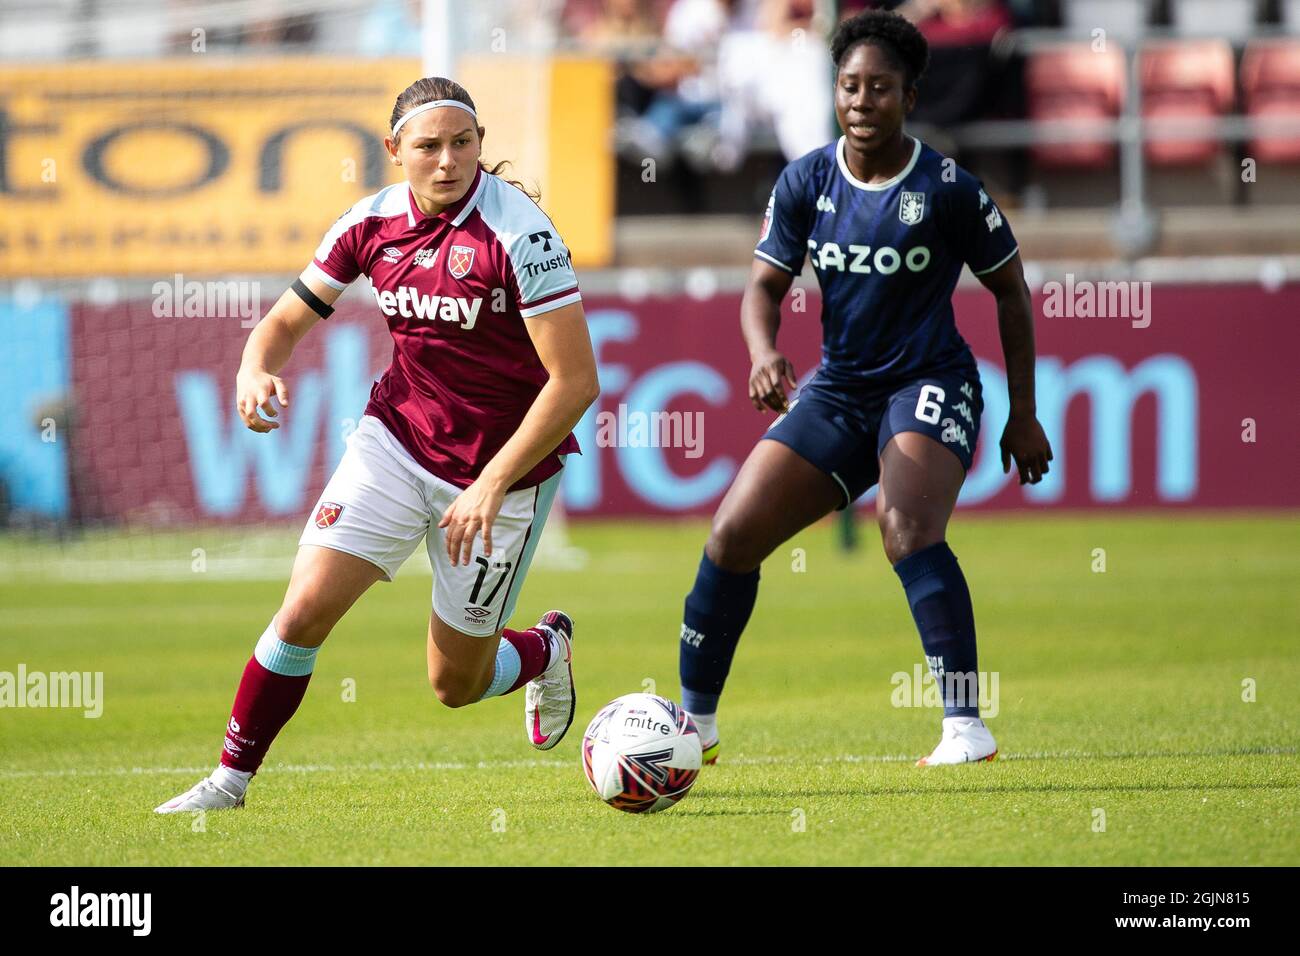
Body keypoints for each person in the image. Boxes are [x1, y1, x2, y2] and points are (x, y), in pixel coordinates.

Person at [156, 76, 600, 813]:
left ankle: (546, 650)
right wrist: (254, 367)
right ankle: (228, 782)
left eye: (464, 143)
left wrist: (490, 484)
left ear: (481, 145)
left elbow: (575, 382)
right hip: (395, 444)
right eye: (428, 146)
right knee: (302, 613)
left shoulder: (523, 236)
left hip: (501, 477)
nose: (448, 160)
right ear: (395, 150)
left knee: (453, 685)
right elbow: (285, 322)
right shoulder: (368, 223)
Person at [676, 9, 1052, 766]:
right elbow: (762, 288)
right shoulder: (806, 180)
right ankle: (693, 730)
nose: (860, 102)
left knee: (906, 529)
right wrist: (762, 352)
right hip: (842, 388)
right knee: (731, 536)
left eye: (880, 88)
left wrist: (1024, 414)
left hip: (930, 380)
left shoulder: (948, 187)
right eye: (850, 86)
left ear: (910, 97)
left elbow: (1011, 292)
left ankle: (965, 727)